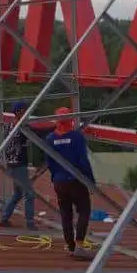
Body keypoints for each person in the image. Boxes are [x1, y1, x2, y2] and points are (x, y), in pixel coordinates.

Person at [45, 106, 95, 257]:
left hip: (59, 182)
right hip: (76, 180)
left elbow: (50, 162)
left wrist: (55, 177)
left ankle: (70, 245)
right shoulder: (76, 137)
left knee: (66, 214)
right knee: (84, 210)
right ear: (71, 119)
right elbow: (83, 161)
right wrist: (90, 180)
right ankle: (79, 244)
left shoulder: (50, 139)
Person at [0, 101, 36, 230]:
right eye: (25, 110)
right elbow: (36, 133)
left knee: (18, 194)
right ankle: (30, 222)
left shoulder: (9, 125)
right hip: (19, 164)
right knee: (29, 194)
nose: (27, 112)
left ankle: (4, 218)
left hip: (11, 164)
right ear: (20, 111)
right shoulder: (21, 127)